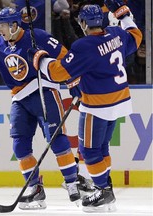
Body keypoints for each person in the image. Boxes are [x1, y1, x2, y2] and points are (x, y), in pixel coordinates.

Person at [0, 7, 86, 210]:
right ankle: (35, 190)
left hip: (45, 91)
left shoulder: (38, 36)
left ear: (15, 25)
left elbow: (66, 57)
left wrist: (74, 82)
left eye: (3, 26)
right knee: (20, 146)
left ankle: (72, 183)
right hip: (20, 98)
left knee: (56, 139)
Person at [27, 1, 142, 212]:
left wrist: (40, 58)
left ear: (82, 23)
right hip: (120, 101)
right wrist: (123, 13)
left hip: (97, 105)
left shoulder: (84, 46)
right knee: (102, 148)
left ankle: (103, 192)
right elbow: (136, 35)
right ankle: (106, 189)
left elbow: (58, 73)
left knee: (89, 151)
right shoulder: (117, 34)